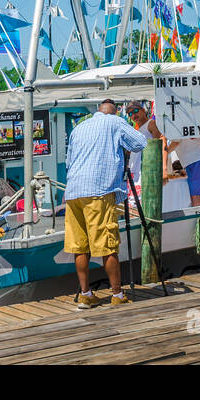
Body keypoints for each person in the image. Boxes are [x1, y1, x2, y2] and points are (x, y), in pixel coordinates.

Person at [63, 99, 147, 307]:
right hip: (98, 190)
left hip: (74, 191)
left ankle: (86, 293)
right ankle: (117, 295)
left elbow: (68, 161)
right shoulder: (114, 122)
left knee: (80, 246)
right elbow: (140, 142)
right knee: (107, 244)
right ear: (116, 111)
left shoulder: (79, 127)